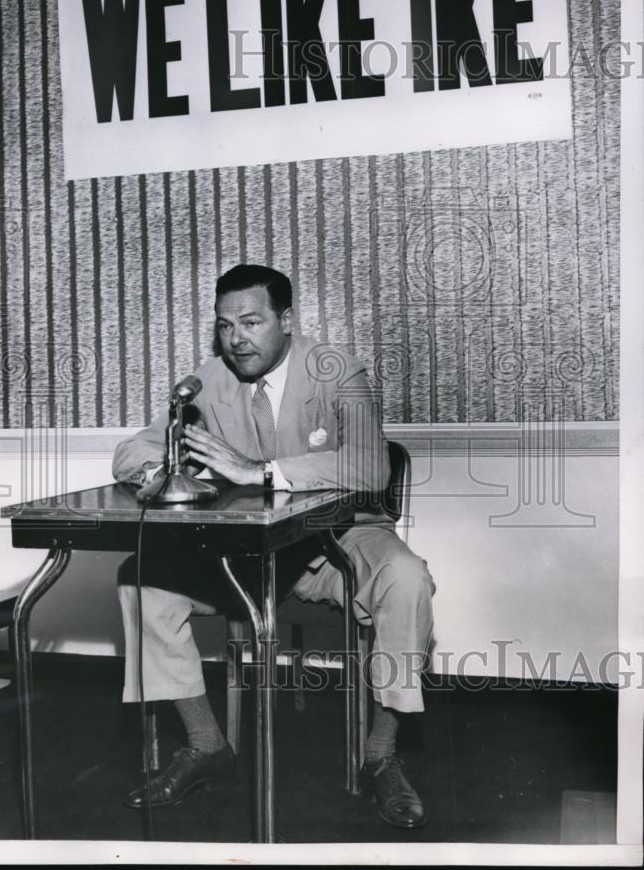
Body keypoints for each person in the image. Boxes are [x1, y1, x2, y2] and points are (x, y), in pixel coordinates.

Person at [112, 263, 435, 829]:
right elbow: (134, 448)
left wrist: (260, 471)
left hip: (339, 542)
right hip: (250, 556)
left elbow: (371, 464)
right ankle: (207, 746)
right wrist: (150, 472)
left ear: (285, 320)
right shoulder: (209, 379)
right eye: (224, 325)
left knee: (406, 578)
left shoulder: (337, 370)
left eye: (252, 321)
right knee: (141, 580)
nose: (237, 338)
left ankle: (381, 756)